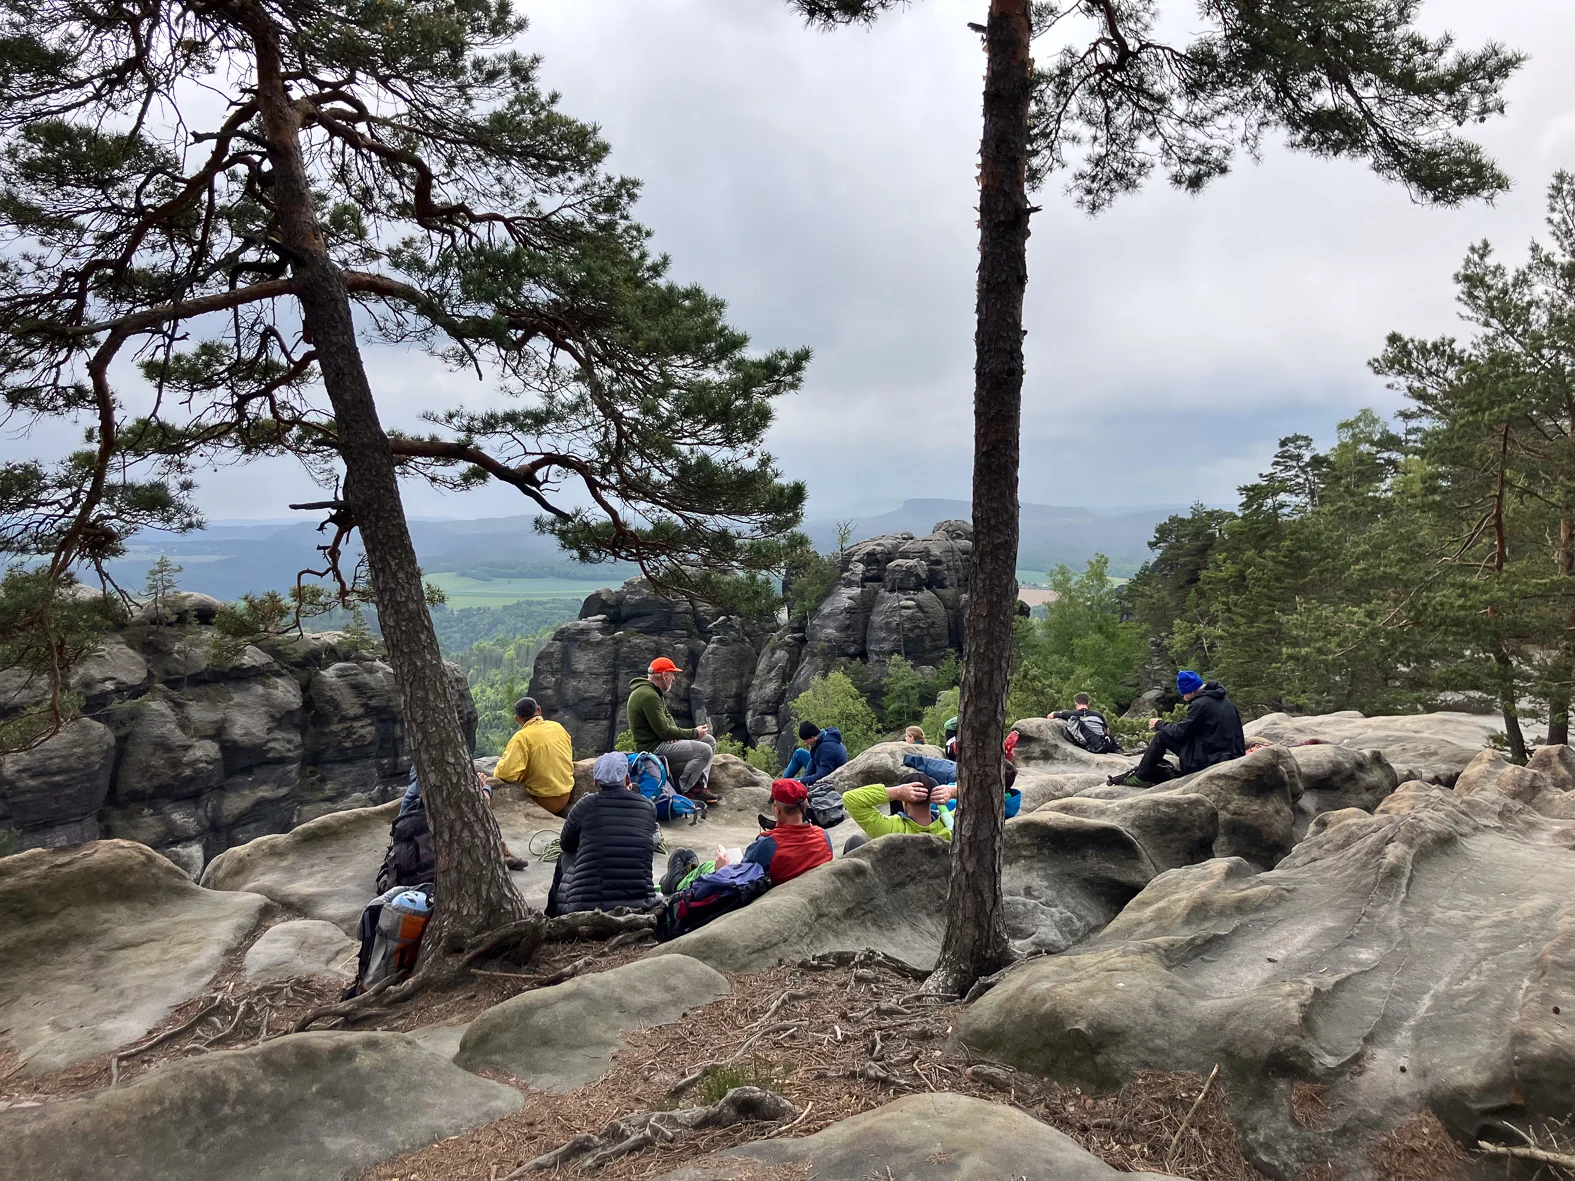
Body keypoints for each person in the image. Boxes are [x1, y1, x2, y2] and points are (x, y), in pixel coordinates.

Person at [548, 752, 662, 915]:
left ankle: (552, 917)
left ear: (596, 783)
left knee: (564, 857)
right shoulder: (648, 807)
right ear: (628, 780)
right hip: (641, 902)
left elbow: (566, 844)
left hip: (584, 906)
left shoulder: (587, 804)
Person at [1112, 671, 1245, 787]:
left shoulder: (1200, 704)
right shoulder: (1221, 698)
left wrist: (1159, 724)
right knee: (1166, 734)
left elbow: (1180, 733)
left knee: (1161, 736)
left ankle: (1141, 776)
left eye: (1185, 694)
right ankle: (1144, 773)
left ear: (1192, 691)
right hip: (1229, 753)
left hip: (1212, 759)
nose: (1184, 698)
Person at [399, 764, 526, 871]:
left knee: (474, 810)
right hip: (418, 843)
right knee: (471, 813)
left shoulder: (446, 778)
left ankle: (498, 850)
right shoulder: (424, 785)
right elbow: (454, 805)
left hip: (434, 837)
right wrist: (477, 788)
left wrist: (484, 790)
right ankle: (496, 851)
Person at [627, 657, 718, 804]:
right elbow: (664, 731)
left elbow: (667, 718)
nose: (674, 679)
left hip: (661, 740)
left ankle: (700, 786)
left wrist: (673, 733)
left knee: (709, 740)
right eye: (672, 674)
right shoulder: (648, 696)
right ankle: (685, 791)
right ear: (664, 675)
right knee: (705, 750)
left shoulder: (652, 692)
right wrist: (694, 733)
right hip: (653, 748)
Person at [740, 779, 834, 885]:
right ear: (805, 806)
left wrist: (723, 867)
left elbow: (741, 877)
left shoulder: (767, 846)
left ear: (777, 809)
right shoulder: (823, 835)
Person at [492, 696, 575, 816]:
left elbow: (506, 773)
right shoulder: (558, 727)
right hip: (566, 795)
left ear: (517, 719)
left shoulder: (522, 737)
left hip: (543, 800)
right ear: (539, 710)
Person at [842, 774, 954, 851]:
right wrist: (952, 791)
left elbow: (850, 798)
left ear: (904, 802)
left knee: (854, 842)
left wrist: (897, 792)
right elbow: (971, 798)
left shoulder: (891, 829)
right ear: (931, 800)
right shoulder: (952, 824)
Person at [1051, 693, 1121, 755]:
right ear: (1088, 704)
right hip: (1104, 745)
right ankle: (1117, 749)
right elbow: (1107, 731)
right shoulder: (1097, 714)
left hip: (1091, 747)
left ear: (1076, 703)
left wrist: (1057, 712)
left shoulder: (1071, 713)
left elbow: (1050, 716)